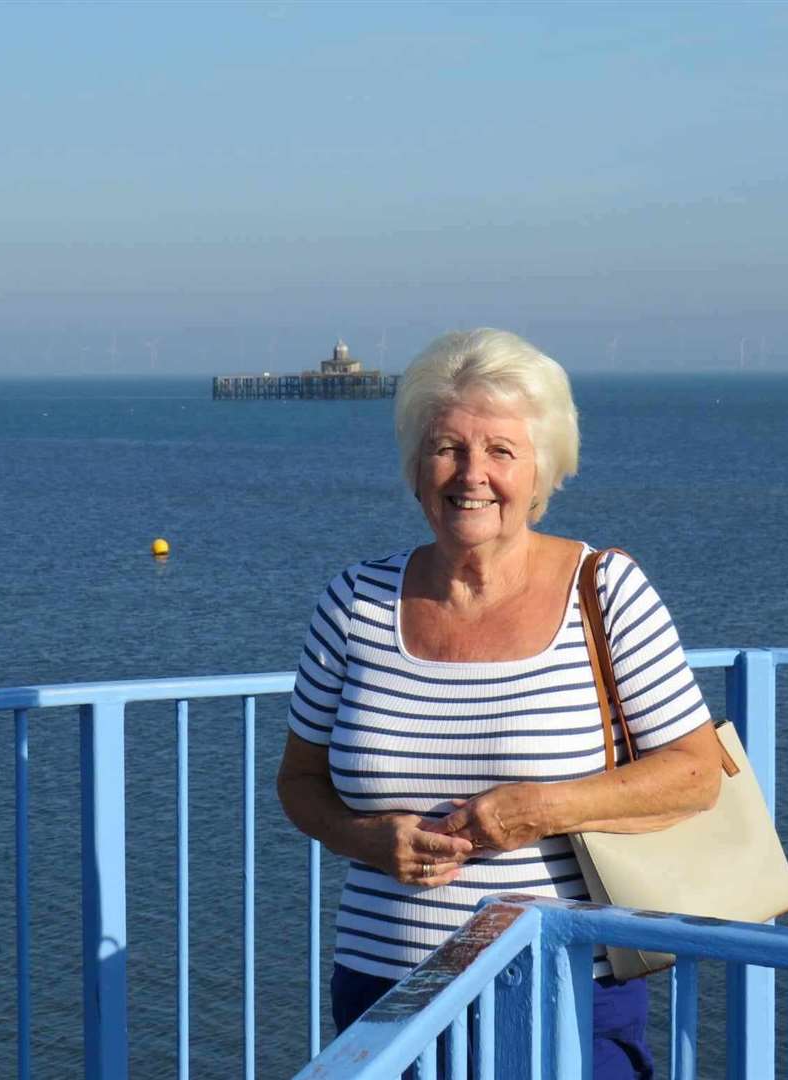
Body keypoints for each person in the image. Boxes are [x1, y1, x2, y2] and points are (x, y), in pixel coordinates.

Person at [276, 328, 724, 1078]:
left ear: (543, 471)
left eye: (501, 452)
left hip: (563, 991)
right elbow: (299, 784)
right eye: (447, 447)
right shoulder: (354, 601)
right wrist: (368, 839)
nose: (470, 475)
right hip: (385, 1004)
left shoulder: (605, 592)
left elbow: (695, 774)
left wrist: (541, 810)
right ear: (416, 468)